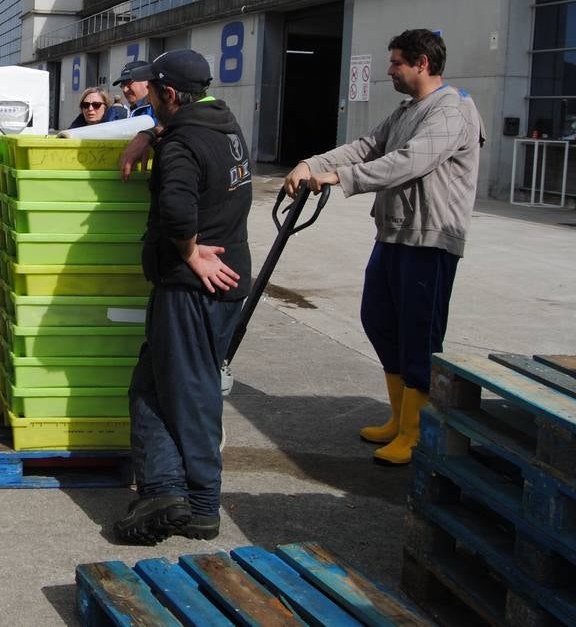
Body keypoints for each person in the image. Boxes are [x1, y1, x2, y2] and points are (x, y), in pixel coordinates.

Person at [283, 29, 483, 466]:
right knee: (379, 320)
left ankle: (416, 432)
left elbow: (413, 159)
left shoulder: (453, 110)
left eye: (395, 63)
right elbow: (367, 146)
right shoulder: (408, 110)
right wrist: (312, 163)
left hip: (429, 239)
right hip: (393, 233)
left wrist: (342, 178)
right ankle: (398, 418)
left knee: (419, 334)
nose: (389, 71)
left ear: (422, 64)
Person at [111, 50, 252, 545]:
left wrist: (190, 253)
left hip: (194, 288)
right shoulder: (224, 124)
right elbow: (178, 133)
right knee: (150, 387)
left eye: (152, 95)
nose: (147, 100)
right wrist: (148, 133)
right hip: (222, 284)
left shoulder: (183, 145)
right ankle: (164, 491)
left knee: (191, 395)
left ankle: (201, 507)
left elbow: (176, 206)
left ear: (170, 94)